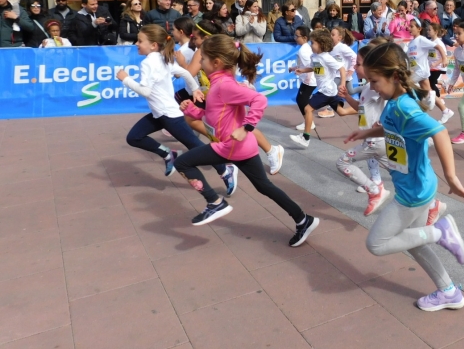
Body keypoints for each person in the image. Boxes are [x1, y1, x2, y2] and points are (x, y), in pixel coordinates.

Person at [345, 41, 464, 312]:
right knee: (414, 241)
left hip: (412, 193)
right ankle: (448, 292)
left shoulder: (405, 107)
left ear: (393, 76)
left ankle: (440, 231)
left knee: (377, 244)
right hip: (417, 186)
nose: (371, 86)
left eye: (374, 80)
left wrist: (452, 177)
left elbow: (438, 132)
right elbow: (393, 130)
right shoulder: (395, 103)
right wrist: (367, 133)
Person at [177, 35, 319, 240]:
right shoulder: (220, 84)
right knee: (264, 186)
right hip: (242, 147)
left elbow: (259, 100)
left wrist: (246, 127)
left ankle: (215, 203)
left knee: (182, 163)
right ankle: (303, 220)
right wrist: (192, 110)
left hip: (231, 146)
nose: (199, 64)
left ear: (216, 63)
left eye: (203, 59)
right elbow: (213, 115)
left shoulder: (225, 85)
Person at [117, 25, 239, 206]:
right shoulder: (162, 57)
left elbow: (146, 91)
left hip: (169, 115)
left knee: (195, 146)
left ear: (153, 45)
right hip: (160, 113)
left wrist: (125, 79)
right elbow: (184, 73)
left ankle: (225, 169)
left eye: (140, 41)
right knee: (134, 137)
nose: (136, 44)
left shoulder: (149, 62)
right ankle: (168, 155)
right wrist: (196, 89)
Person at [177, 18, 286, 175]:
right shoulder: (208, 51)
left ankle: (270, 150)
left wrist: (181, 64)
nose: (192, 39)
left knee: (239, 126)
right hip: (213, 93)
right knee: (198, 120)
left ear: (206, 38)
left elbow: (190, 73)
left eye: (195, 37)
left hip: (218, 93)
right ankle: (228, 150)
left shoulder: (202, 52)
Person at [335, 40, 391, 216]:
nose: (355, 67)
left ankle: (375, 190)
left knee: (342, 162)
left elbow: (392, 102)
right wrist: (346, 98)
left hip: (376, 141)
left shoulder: (377, 87)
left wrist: (381, 123)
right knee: (402, 175)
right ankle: (432, 203)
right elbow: (361, 107)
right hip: (377, 142)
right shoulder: (368, 87)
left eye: (358, 64)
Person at [289, 29, 346, 147]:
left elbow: (341, 68)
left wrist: (343, 83)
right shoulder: (314, 56)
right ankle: (362, 109)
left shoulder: (326, 57)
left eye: (313, 43)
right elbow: (314, 68)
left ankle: (305, 138)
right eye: (311, 42)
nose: (311, 45)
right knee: (342, 111)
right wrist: (301, 70)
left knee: (308, 109)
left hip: (327, 90)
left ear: (321, 44)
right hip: (328, 90)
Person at [407, 19, 447, 114]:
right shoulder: (411, 43)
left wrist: (444, 58)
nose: (409, 28)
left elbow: (438, 47)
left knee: (406, 84)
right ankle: (445, 111)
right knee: (427, 91)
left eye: (412, 26)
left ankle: (417, 108)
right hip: (417, 71)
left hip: (421, 71)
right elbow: (409, 58)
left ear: (419, 28)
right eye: (409, 26)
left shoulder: (421, 39)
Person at [424, 22, 455, 125]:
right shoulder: (429, 42)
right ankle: (441, 87)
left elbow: (444, 56)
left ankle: (439, 100)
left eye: (430, 30)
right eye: (427, 30)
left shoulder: (439, 42)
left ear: (436, 32)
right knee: (430, 83)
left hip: (438, 67)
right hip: (431, 68)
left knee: (431, 84)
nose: (428, 32)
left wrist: (435, 64)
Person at [291, 26, 317, 131]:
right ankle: (308, 122)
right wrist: (294, 68)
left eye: (297, 36)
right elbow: (304, 65)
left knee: (302, 101)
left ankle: (309, 123)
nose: (295, 38)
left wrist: (307, 79)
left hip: (309, 80)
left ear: (305, 38)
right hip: (309, 79)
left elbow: (311, 66)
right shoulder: (305, 48)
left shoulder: (304, 50)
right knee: (302, 100)